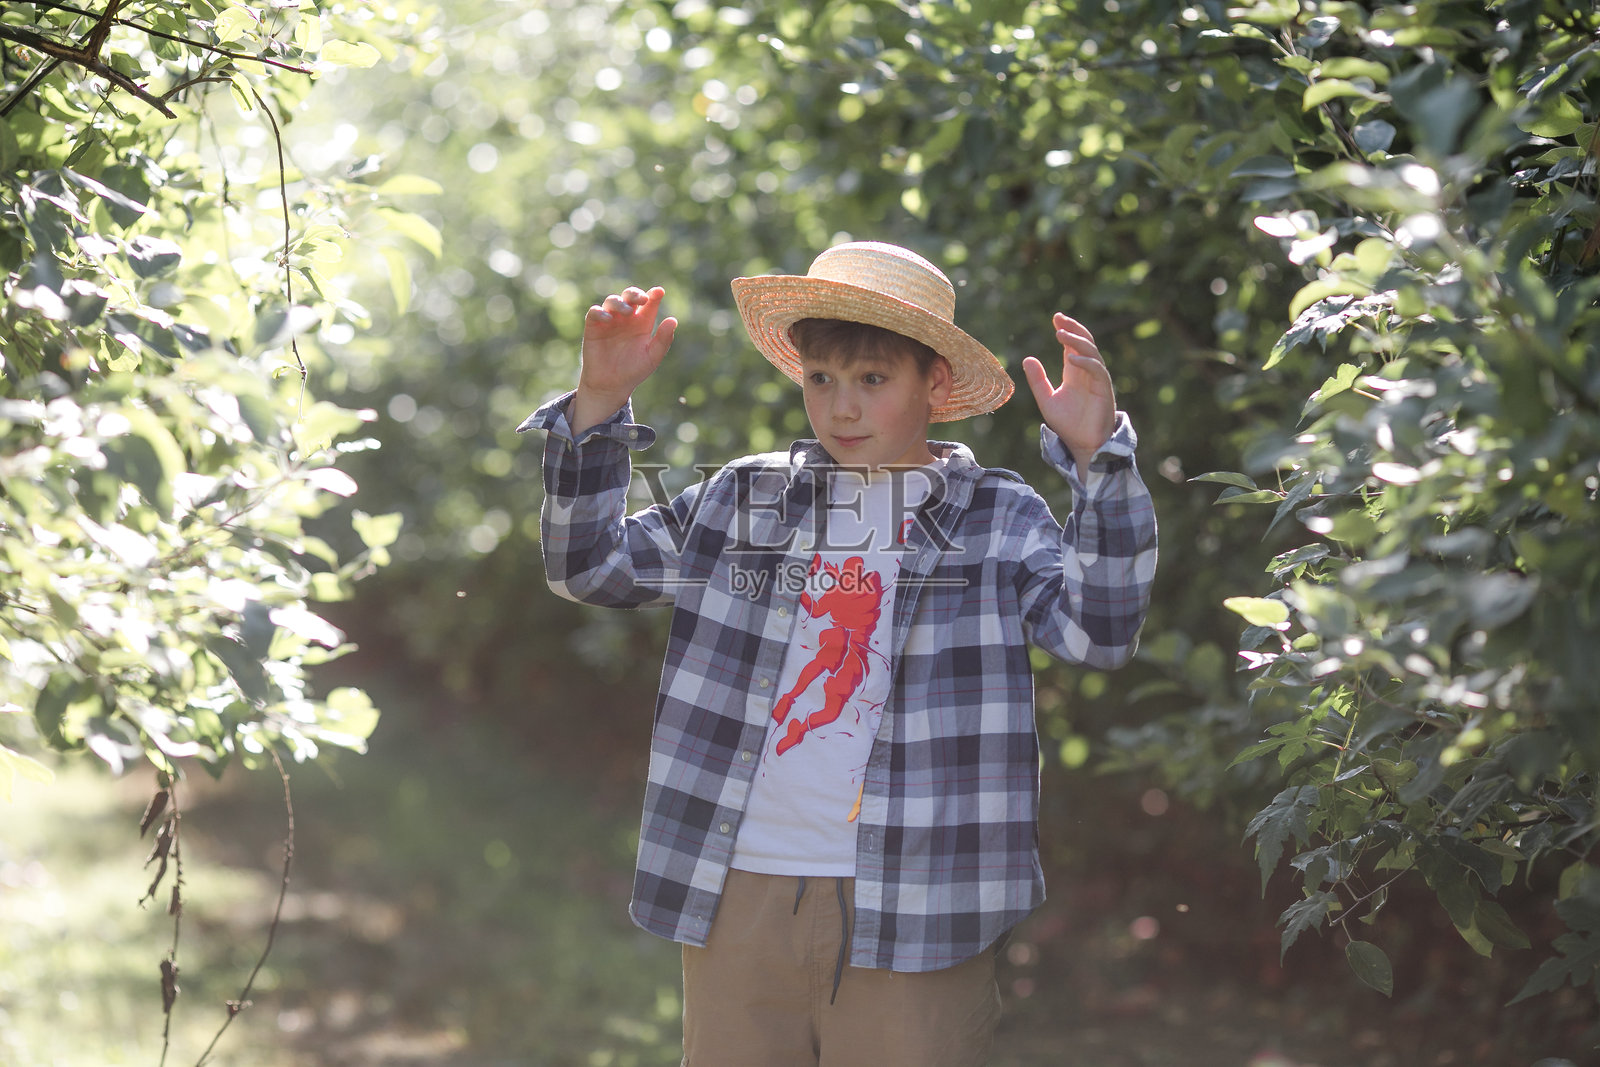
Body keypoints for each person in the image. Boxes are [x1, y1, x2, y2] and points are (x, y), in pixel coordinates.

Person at [517, 240, 1158, 1065]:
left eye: (872, 380)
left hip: (922, 897)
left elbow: (1098, 633)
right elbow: (587, 566)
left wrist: (1098, 460)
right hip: (738, 886)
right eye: (821, 379)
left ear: (935, 383)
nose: (841, 408)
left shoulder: (995, 515)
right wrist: (599, 405)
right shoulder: (747, 498)